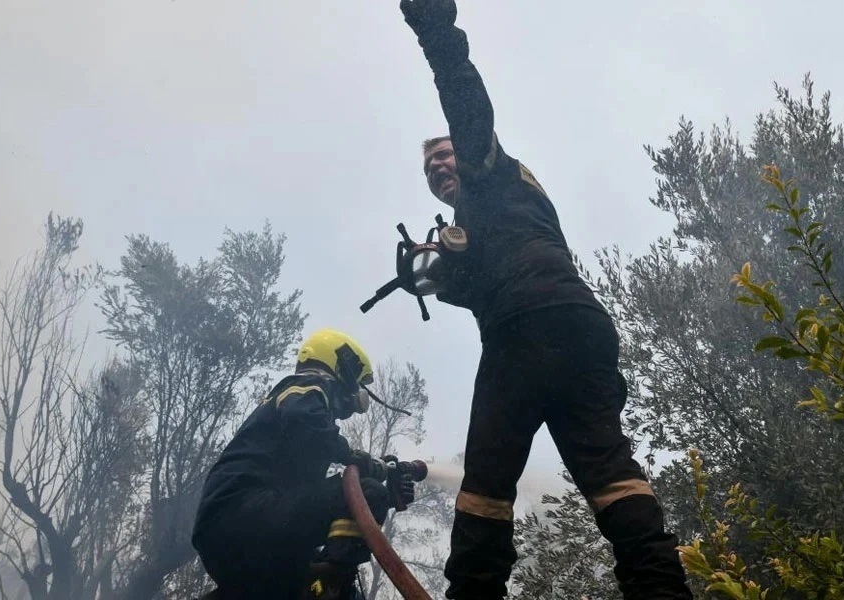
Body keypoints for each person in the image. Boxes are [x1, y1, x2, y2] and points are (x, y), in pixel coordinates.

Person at [396, 1, 695, 598]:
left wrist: (432, 23)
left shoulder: (487, 165)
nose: (437, 168)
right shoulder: (505, 204)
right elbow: (487, 280)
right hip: (581, 328)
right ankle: (661, 588)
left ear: (469, 148)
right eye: (429, 168)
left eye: (443, 155)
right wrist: (437, 278)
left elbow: (462, 89)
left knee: (484, 486)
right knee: (610, 472)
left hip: (524, 331)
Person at [191, 328, 412, 600]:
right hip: (245, 512)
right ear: (342, 365)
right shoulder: (307, 386)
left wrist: (389, 495)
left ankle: (313, 585)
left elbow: (314, 502)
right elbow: (303, 419)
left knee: (288, 588)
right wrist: (358, 461)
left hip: (229, 540)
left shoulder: (293, 431)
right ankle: (327, 587)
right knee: (367, 494)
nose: (355, 398)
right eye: (357, 383)